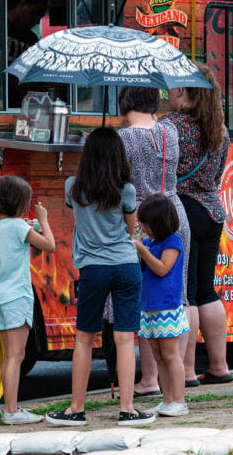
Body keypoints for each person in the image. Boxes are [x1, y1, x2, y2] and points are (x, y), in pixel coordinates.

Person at [46, 127, 155, 427]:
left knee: (84, 339)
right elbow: (135, 230)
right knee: (123, 338)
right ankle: (128, 410)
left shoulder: (73, 188)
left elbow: (80, 218)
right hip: (125, 266)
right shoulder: (126, 191)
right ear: (119, 156)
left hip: (92, 268)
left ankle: (76, 410)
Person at [116, 86, 191, 398]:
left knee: (146, 300)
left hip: (143, 219)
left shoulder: (124, 138)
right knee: (178, 297)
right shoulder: (169, 131)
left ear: (125, 102)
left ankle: (149, 378)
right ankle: (179, 375)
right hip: (174, 213)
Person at [164, 63, 233, 386]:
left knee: (187, 293)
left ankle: (188, 370)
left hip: (184, 211)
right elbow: (217, 173)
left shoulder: (172, 126)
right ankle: (219, 366)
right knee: (207, 289)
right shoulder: (219, 129)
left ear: (182, 90)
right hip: (213, 210)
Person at [0, 175, 56, 425]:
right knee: (17, 356)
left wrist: (27, 226)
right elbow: (49, 246)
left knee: (9, 356)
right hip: (18, 297)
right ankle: (11, 411)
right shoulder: (19, 228)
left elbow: (21, 242)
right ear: (19, 202)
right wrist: (43, 221)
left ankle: (10, 408)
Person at [134, 194, 190, 417]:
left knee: (170, 354)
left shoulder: (172, 241)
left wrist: (142, 251)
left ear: (159, 222)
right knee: (158, 356)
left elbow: (162, 268)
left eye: (147, 223)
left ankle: (179, 400)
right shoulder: (150, 243)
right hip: (149, 306)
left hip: (166, 306)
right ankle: (167, 400)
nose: (144, 228)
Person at [4, 0, 51, 108]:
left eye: (40, 17)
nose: (36, 21)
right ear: (22, 3)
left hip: (23, 103)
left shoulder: (31, 39)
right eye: (33, 13)